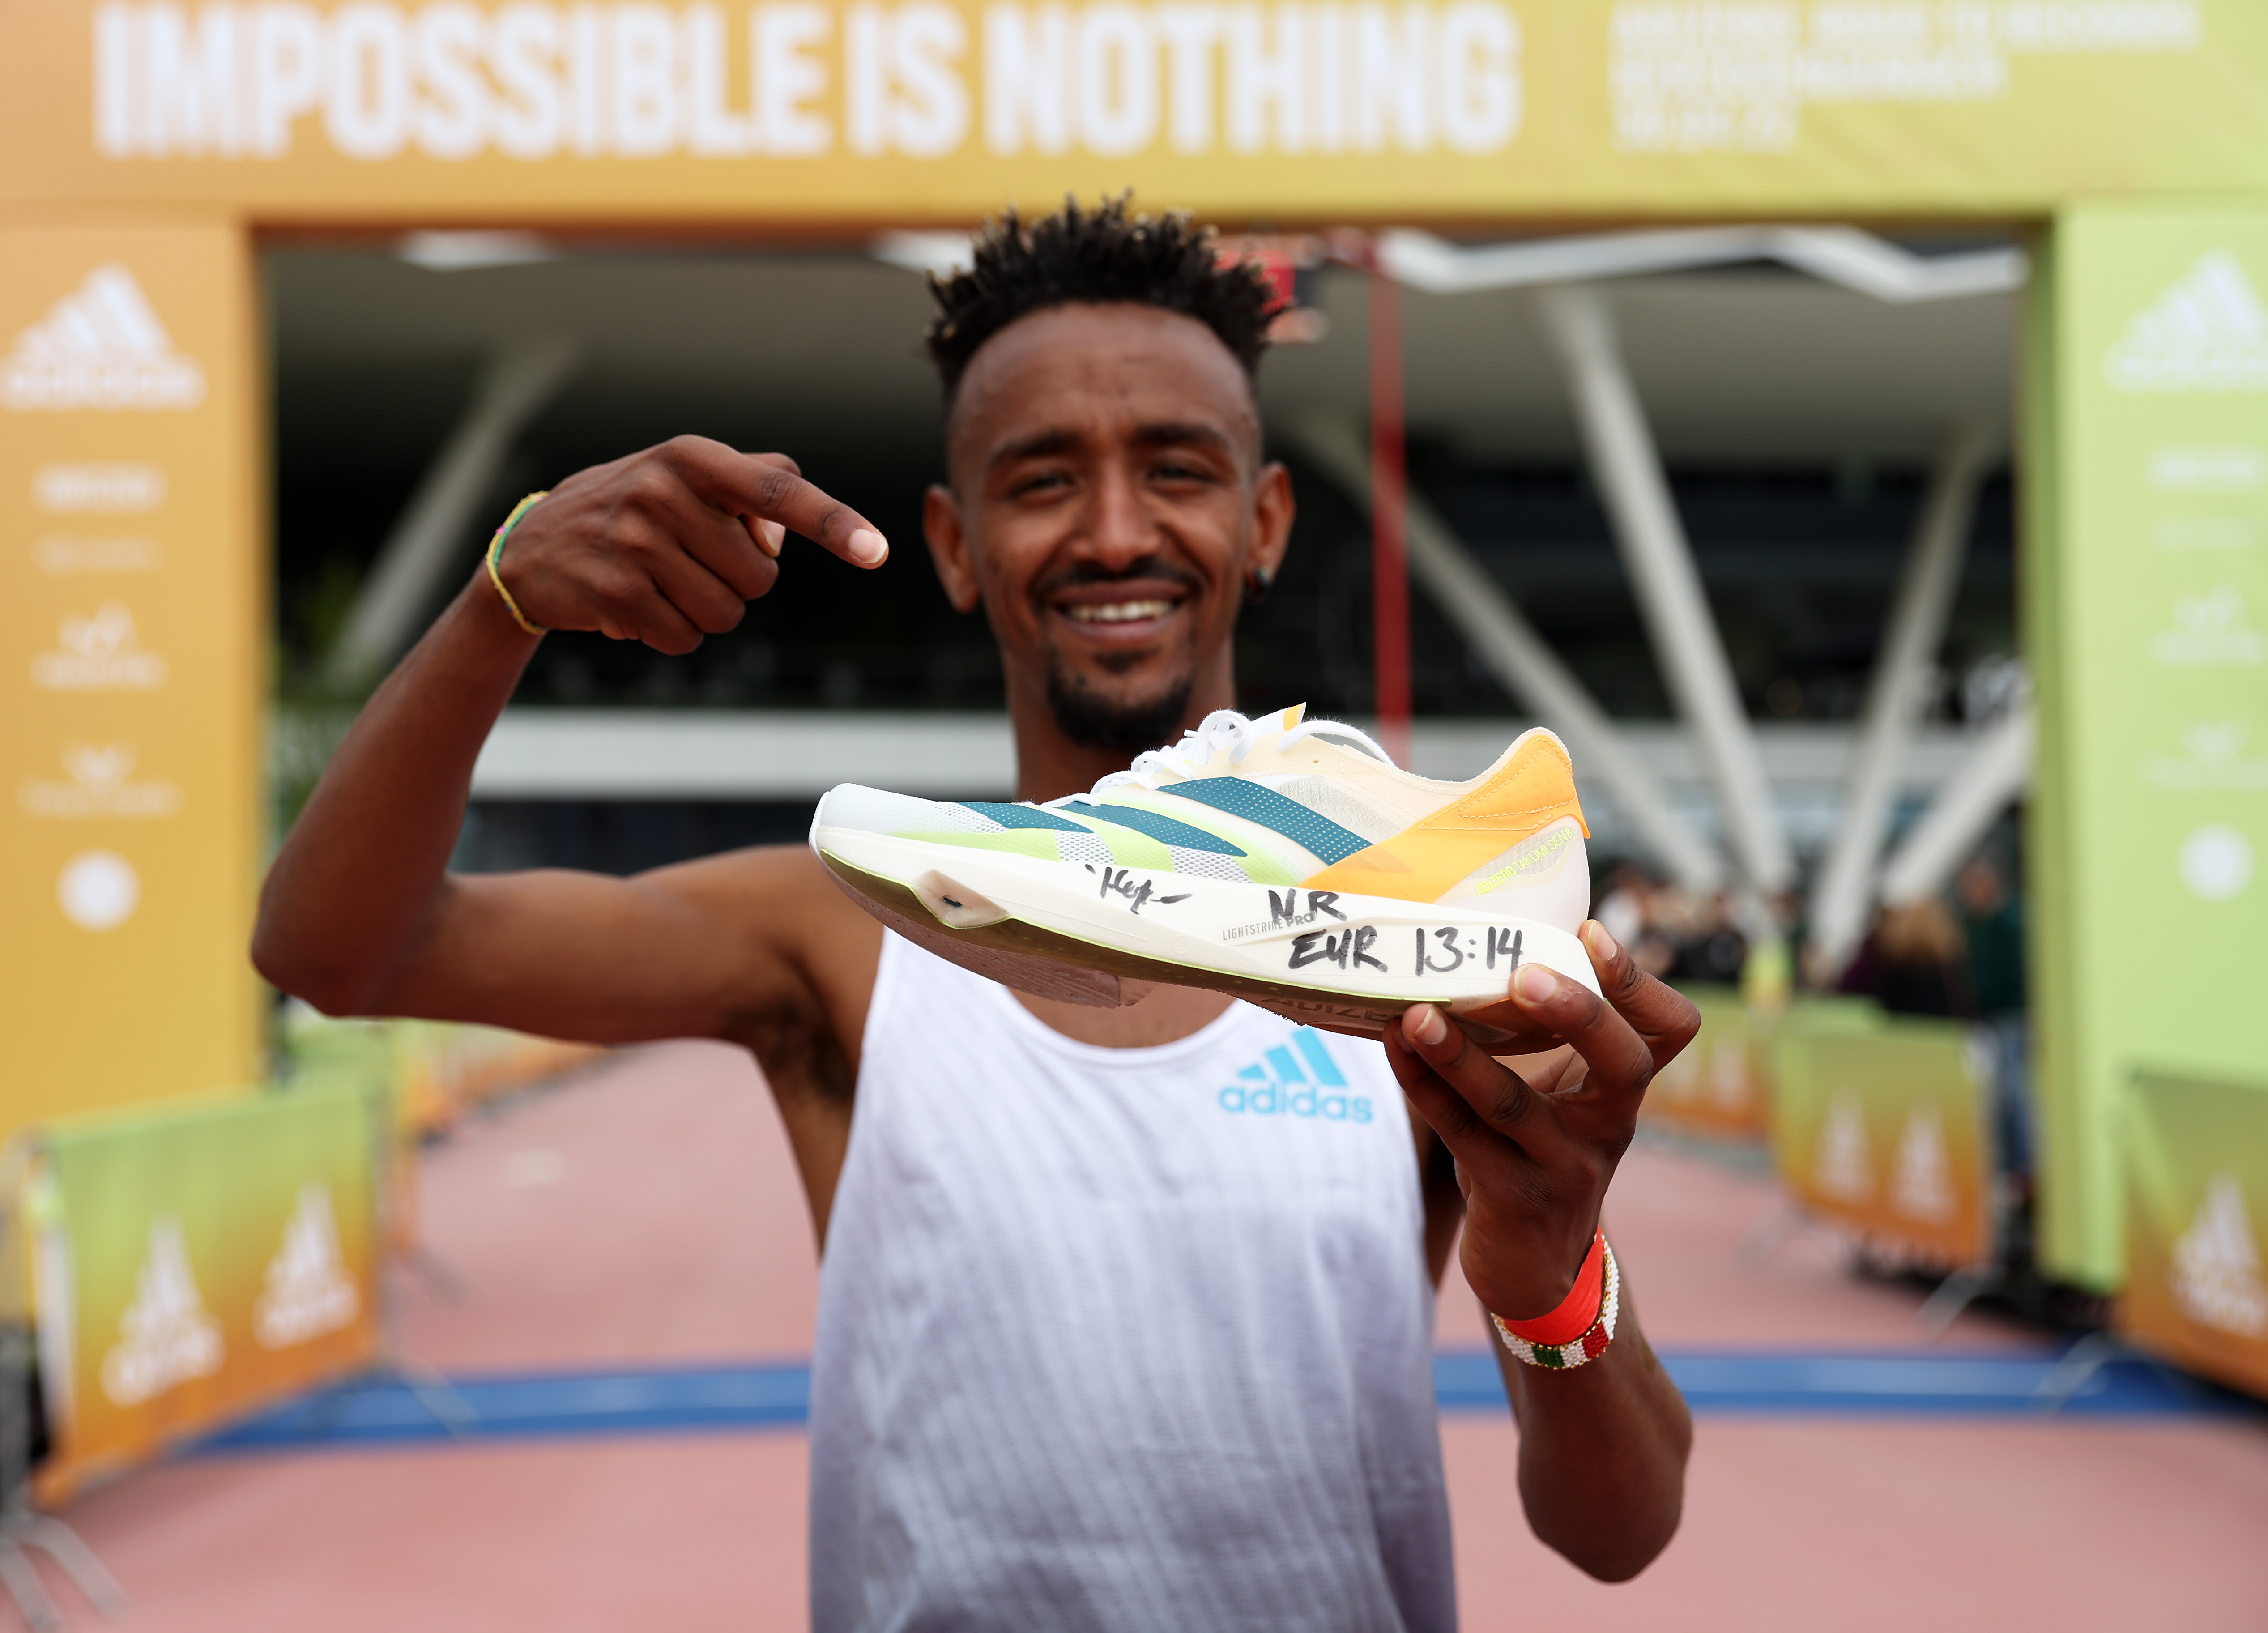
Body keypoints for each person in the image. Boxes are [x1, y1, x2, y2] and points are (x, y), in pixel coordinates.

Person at [255, 199, 1693, 1629]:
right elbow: (338, 948)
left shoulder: (1406, 945)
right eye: (1043, 479)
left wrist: (1553, 1265)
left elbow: (1619, 1536)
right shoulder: (838, 929)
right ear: (953, 541)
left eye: (1176, 468)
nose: (1116, 530)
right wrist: (501, 595)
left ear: (1263, 521)